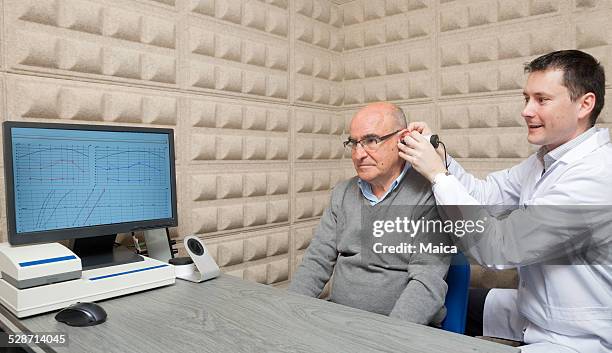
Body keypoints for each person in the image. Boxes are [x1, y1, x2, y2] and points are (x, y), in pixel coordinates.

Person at [398, 50, 612, 352]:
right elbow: (484, 196)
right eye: (526, 98)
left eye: (542, 99)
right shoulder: (546, 159)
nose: (526, 110)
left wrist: (436, 175)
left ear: (584, 104)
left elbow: (499, 249)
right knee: (449, 302)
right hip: (535, 308)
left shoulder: (596, 177)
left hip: (579, 336)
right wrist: (441, 158)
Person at [288, 102, 452, 325]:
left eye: (371, 141)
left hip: (399, 332)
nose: (358, 154)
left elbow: (427, 284)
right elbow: (316, 262)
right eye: (354, 143)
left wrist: (384, 339)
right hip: (341, 323)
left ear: (402, 139)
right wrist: (286, 313)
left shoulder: (430, 196)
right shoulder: (343, 193)